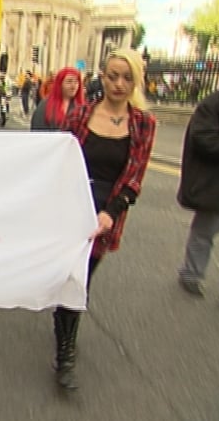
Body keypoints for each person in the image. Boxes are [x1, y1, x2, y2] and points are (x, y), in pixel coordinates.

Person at [53, 49, 156, 389]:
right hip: (72, 207)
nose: (118, 84)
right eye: (112, 76)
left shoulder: (143, 124)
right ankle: (65, 353)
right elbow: (59, 160)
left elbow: (135, 178)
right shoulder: (80, 115)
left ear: (136, 82)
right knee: (71, 277)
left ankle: (65, 330)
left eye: (127, 78)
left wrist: (111, 213)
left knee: (84, 278)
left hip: (107, 212)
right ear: (102, 76)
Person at [176, 54, 219, 305]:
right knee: (204, 232)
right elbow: (203, 139)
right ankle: (191, 274)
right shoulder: (214, 105)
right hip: (218, 183)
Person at [30, 67, 83, 131]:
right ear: (60, 84)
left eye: (76, 82)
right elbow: (38, 129)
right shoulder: (45, 105)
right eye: (69, 82)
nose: (73, 86)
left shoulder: (81, 107)